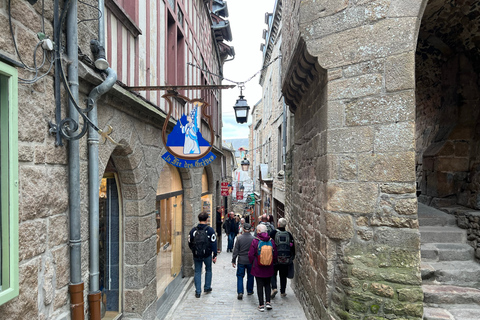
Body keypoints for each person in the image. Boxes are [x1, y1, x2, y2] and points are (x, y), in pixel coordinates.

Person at [188, 211, 217, 298]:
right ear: (207, 219)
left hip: (197, 254)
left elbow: (189, 242)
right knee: (208, 269)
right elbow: (214, 242)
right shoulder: (210, 230)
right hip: (207, 254)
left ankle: (198, 291)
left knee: (197, 271)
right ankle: (207, 287)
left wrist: (194, 250)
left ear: (198, 219)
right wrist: (214, 254)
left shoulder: (193, 230)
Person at [249, 224, 277, 312]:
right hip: (269, 267)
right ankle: (268, 302)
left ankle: (261, 305)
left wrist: (253, 262)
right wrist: (273, 262)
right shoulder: (271, 241)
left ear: (258, 231)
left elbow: (251, 254)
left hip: (258, 267)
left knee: (259, 285)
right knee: (268, 285)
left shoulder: (255, 241)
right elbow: (275, 254)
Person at [270, 218, 296, 298]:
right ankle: (283, 292)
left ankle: (274, 288)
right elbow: (292, 247)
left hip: (275, 258)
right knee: (283, 275)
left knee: (273, 274)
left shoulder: (273, 233)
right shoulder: (288, 234)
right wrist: (292, 257)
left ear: (278, 224)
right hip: (285, 258)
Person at [231, 223, 255, 300]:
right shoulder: (253, 239)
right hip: (250, 261)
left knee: (240, 276)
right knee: (250, 276)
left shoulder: (239, 238)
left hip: (241, 260)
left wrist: (233, 260)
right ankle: (250, 290)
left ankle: (240, 292)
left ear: (243, 229)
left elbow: (236, 250)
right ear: (250, 229)